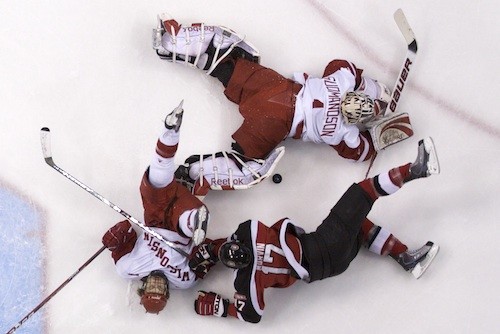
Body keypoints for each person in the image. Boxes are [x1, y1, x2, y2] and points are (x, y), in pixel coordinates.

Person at [188, 137, 440, 323]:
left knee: (360, 226)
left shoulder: (246, 280)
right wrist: (210, 252)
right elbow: (250, 312)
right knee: (361, 193)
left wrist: (221, 307)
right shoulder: (248, 232)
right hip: (323, 245)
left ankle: (406, 258)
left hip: (330, 266)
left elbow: (250, 315)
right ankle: (416, 169)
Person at [153, 13, 397, 175]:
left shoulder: (341, 83)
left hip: (276, 89)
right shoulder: (345, 132)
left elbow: (342, 66)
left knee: (232, 64)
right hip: (275, 123)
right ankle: (196, 173)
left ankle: (175, 43)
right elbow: (360, 153)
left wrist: (371, 87)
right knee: (245, 160)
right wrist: (379, 138)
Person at [101, 101, 283, 314]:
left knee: (154, 185)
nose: (157, 285)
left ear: (143, 289)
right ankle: (196, 219)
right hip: (181, 229)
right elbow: (205, 257)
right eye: (160, 290)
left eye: (152, 288)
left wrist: (114, 238)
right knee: (189, 225)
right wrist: (220, 251)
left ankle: (169, 131)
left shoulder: (127, 269)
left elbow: (126, 233)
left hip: (154, 219)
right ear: (167, 293)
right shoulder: (184, 280)